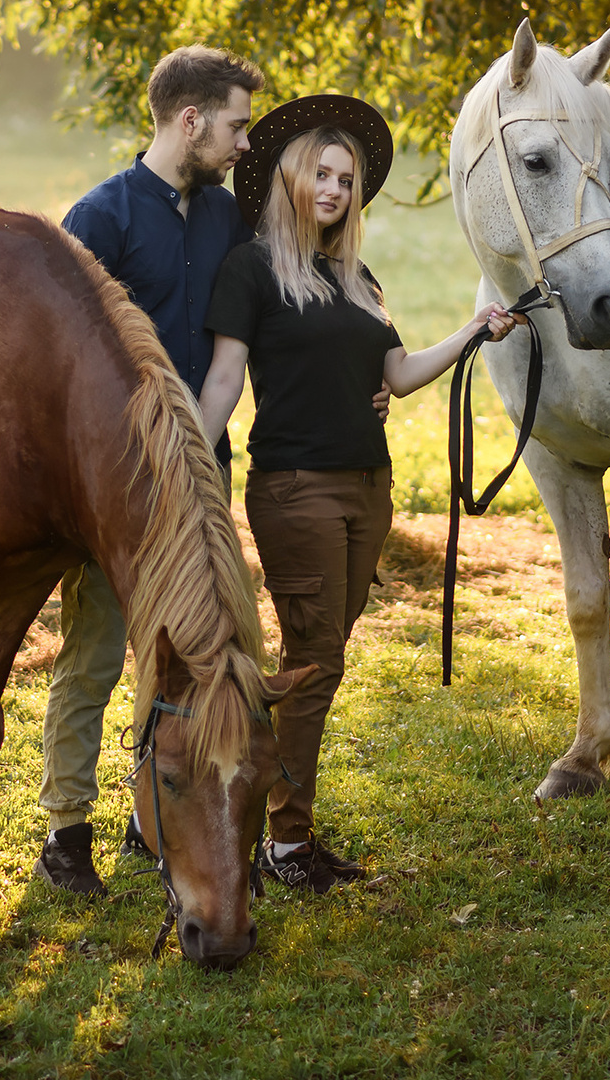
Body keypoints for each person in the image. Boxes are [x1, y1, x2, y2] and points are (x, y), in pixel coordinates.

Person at [197, 98, 523, 893]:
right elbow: (226, 375)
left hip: (366, 489)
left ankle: (269, 814)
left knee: (316, 663)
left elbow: (399, 374)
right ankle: (282, 838)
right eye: (323, 173)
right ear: (293, 179)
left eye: (347, 178)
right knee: (316, 661)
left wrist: (477, 328)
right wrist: (194, 458)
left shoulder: (358, 278)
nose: (337, 188)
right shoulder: (252, 267)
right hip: (296, 488)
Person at [39, 46, 279, 896]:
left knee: (201, 665)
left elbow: (239, 340)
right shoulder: (99, 219)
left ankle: (162, 819)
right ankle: (66, 830)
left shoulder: (225, 218)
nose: (245, 144)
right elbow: (56, 364)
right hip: (116, 499)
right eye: (237, 125)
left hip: (201, 493)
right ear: (191, 119)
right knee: (98, 655)